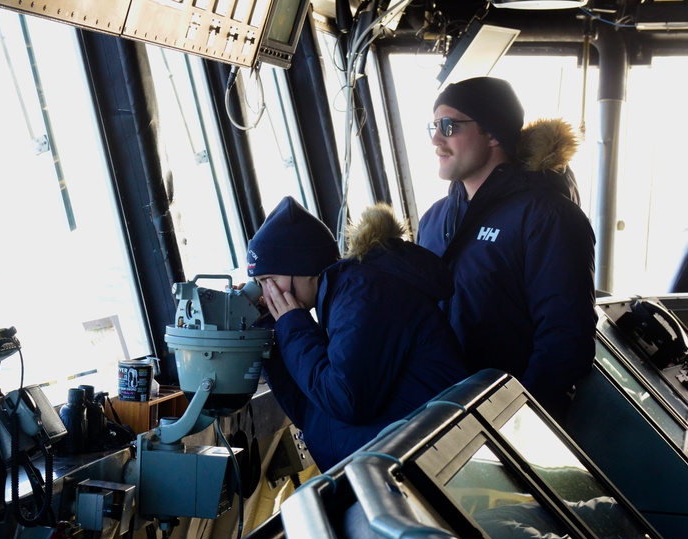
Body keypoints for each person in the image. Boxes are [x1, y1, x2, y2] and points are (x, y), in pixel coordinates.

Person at [417, 76, 596, 423]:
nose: (436, 140)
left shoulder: (546, 216)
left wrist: (520, 421)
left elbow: (566, 337)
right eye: (433, 127)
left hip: (513, 426)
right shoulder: (433, 221)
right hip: (443, 420)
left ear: (494, 134)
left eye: (449, 126)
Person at [248, 195, 468, 471]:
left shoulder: (362, 295)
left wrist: (293, 327)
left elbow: (345, 399)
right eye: (259, 284)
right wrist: (274, 338)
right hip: (407, 458)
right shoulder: (342, 297)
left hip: (426, 460)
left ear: (302, 268)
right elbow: (313, 410)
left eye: (270, 280)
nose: (267, 295)